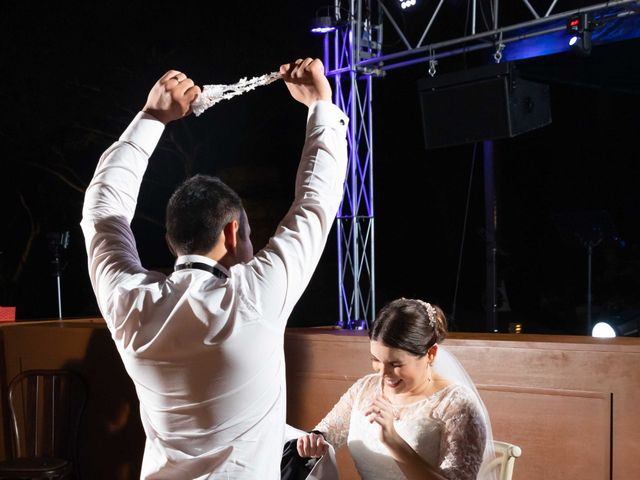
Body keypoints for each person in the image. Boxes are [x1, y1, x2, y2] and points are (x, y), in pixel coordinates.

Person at [80, 57, 348, 479]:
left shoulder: (128, 301)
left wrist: (151, 118)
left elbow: (101, 211)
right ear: (232, 231)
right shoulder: (255, 296)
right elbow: (316, 203)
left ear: (170, 241)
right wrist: (320, 105)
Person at [295, 298, 495, 480]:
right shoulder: (366, 388)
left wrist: (393, 441)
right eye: (375, 360)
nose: (383, 374)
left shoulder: (456, 404)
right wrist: (315, 441)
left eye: (395, 364)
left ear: (431, 354)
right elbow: (327, 432)